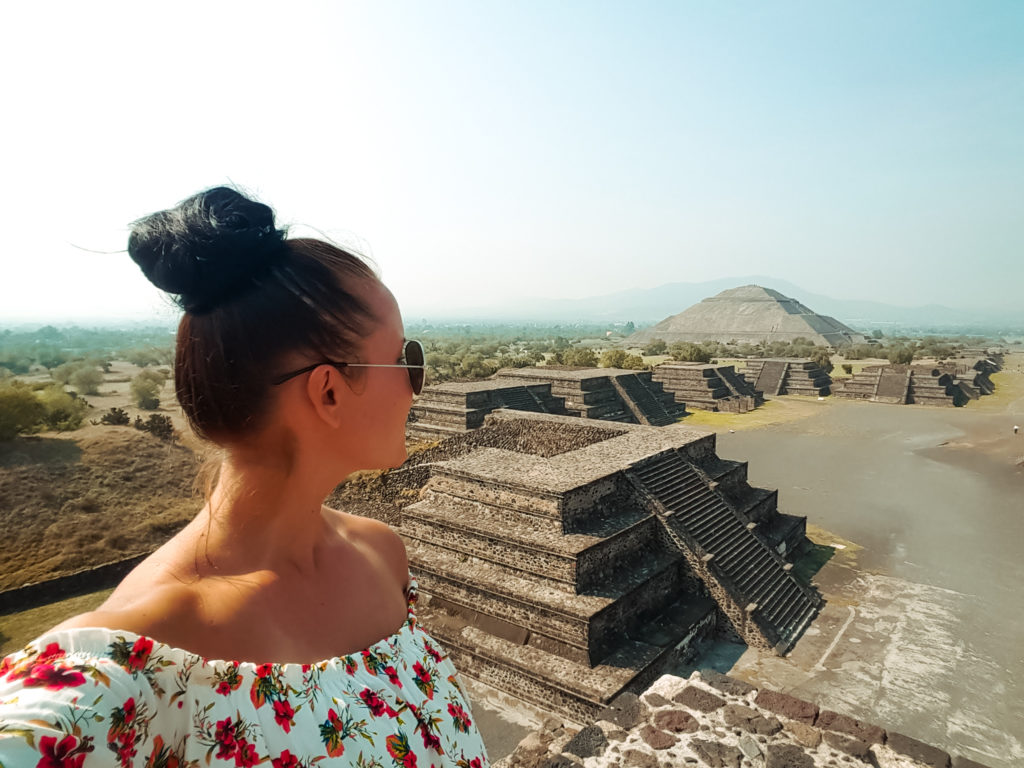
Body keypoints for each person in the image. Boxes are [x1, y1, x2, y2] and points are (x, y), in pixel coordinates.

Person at [0, 187, 488, 767]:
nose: (415, 383)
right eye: (406, 357)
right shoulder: (130, 669)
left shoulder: (382, 555)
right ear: (329, 390)